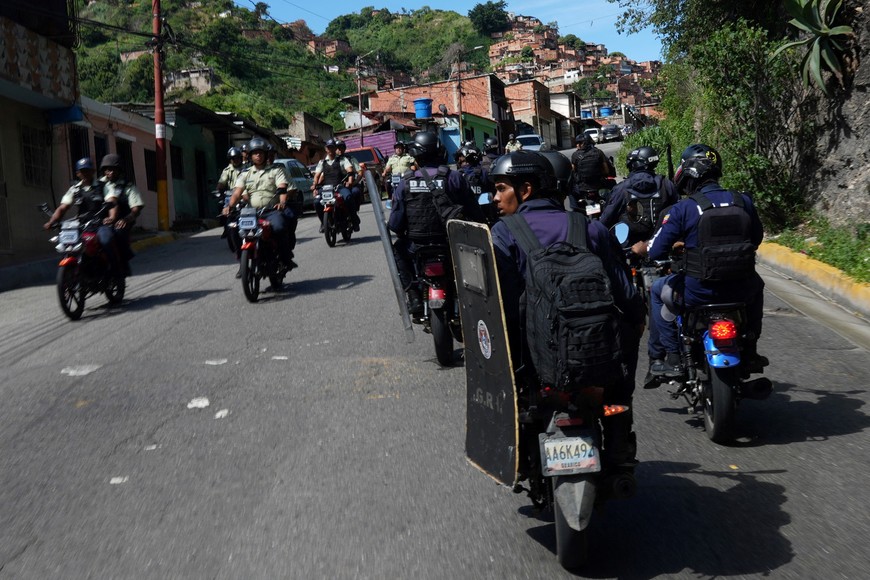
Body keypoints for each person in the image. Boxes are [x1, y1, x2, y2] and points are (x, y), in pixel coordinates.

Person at [489, 151, 646, 469]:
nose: (495, 197)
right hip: (594, 353)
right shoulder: (591, 229)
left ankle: (517, 452)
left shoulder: (503, 234)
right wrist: (634, 326)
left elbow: (496, 306)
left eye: (502, 188)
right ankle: (617, 437)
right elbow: (626, 296)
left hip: (531, 363)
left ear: (526, 189)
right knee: (620, 369)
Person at [631, 144, 767, 382]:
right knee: (758, 285)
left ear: (689, 174)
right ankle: (752, 346)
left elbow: (657, 249)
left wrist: (642, 248)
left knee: (656, 291)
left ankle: (671, 357)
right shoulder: (743, 201)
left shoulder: (684, 208)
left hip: (698, 293)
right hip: (741, 291)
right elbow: (755, 239)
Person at [388, 131, 484, 315]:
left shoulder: (405, 182)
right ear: (439, 150)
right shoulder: (453, 177)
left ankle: (413, 296)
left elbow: (395, 224)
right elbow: (474, 211)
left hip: (417, 245)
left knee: (397, 252)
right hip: (451, 243)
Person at [224, 137, 297, 278]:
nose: (258, 155)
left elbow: (282, 187)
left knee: (280, 227)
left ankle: (285, 258)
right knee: (232, 228)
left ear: (265, 154)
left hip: (271, 211)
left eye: (261, 153)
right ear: (250, 155)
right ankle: (242, 261)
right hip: (251, 212)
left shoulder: (276, 171)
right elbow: (237, 192)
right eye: (255, 153)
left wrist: (282, 202)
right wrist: (229, 206)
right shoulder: (244, 174)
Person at [44, 157, 121, 274]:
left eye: (88, 170)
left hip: (100, 223)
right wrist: (51, 221)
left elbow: (112, 202)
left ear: (93, 172)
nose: (85, 173)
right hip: (82, 225)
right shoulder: (74, 189)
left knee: (106, 240)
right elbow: (62, 207)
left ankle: (114, 271)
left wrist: (111, 218)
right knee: (68, 244)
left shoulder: (103, 186)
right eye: (82, 171)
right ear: (77, 173)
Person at [600, 145, 680, 244]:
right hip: (662, 242)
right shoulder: (666, 184)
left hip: (630, 246)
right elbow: (679, 212)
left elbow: (606, 218)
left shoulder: (622, 189)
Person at [100, 153, 145, 277]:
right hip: (100, 221)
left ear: (119, 170)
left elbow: (136, 208)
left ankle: (123, 261)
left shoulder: (128, 186)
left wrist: (127, 219)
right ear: (104, 171)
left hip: (122, 220)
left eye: (114, 169)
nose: (111, 173)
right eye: (108, 170)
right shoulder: (98, 184)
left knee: (119, 232)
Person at [312, 139, 357, 233]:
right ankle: (324, 223)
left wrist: (349, 182)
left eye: (332, 147)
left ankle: (354, 219)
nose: (330, 149)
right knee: (316, 202)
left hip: (339, 187)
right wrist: (314, 186)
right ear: (326, 149)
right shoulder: (322, 162)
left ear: (335, 148)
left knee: (348, 197)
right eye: (329, 147)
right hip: (326, 189)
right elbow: (316, 176)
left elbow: (350, 171)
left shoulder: (342, 159)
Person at [570, 133, 615, 212]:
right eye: (576, 143)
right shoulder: (598, 152)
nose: (577, 145)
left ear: (584, 143)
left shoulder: (575, 155)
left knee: (571, 193)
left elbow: (573, 171)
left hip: (582, 188)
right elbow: (606, 170)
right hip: (598, 185)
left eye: (579, 143)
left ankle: (576, 211)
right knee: (614, 189)